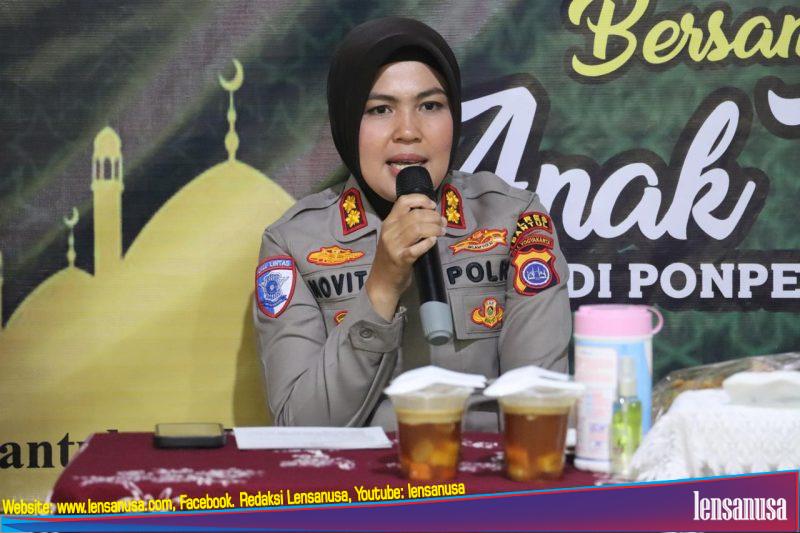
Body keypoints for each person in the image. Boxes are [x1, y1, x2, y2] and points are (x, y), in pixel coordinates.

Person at [253, 17, 571, 431]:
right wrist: (382, 287)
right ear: (345, 122)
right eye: (380, 109)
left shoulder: (515, 221)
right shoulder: (293, 242)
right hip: (357, 474)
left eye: (430, 106)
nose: (408, 131)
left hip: (479, 470)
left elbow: (539, 413)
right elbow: (300, 428)